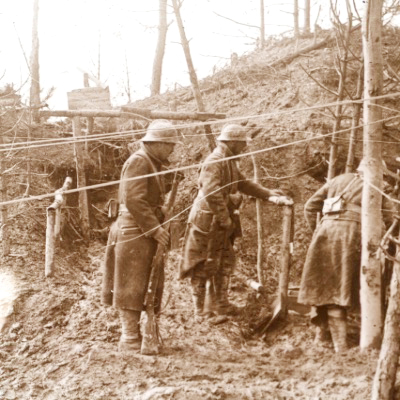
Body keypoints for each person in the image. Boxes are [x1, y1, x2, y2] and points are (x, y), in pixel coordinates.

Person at [179, 123, 293, 319]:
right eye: (242, 144)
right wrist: (225, 219)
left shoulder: (229, 161)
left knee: (224, 261)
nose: (244, 148)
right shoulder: (215, 161)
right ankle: (201, 311)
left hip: (220, 221)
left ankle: (221, 304)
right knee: (203, 263)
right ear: (231, 143)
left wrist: (269, 195)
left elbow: (243, 184)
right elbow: (211, 193)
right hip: (206, 221)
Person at [298, 160, 394, 353]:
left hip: (324, 235)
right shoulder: (378, 186)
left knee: (324, 286)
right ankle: (341, 347)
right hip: (352, 237)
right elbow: (391, 218)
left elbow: (310, 207)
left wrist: (318, 231)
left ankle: (321, 339)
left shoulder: (337, 180)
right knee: (340, 288)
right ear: (377, 172)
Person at [101, 119, 180, 352]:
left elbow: (147, 195)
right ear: (156, 143)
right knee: (131, 284)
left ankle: (136, 336)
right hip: (133, 231)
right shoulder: (138, 162)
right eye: (169, 145)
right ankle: (129, 338)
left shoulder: (151, 162)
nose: (172, 149)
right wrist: (155, 229)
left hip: (140, 229)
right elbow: (134, 200)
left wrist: (161, 208)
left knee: (145, 283)